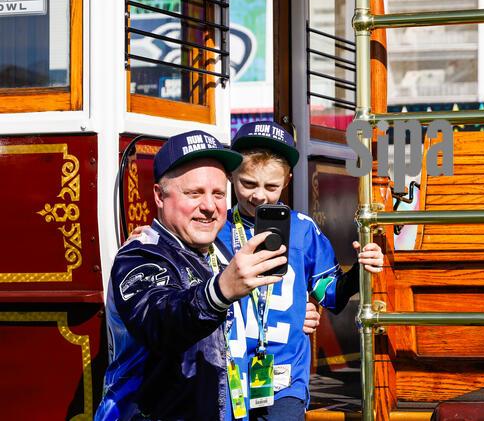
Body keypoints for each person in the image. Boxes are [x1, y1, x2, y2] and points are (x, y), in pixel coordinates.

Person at [96, 131, 288, 420]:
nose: (209, 206)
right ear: (159, 196)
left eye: (219, 194)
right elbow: (160, 318)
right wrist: (219, 292)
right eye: (194, 193)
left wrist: (305, 310)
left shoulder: (217, 250)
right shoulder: (141, 255)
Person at [217, 120, 383, 420]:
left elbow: (331, 296)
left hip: (285, 379)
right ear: (232, 177)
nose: (259, 196)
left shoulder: (304, 231)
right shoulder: (215, 230)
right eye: (248, 184)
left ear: (288, 180)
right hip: (228, 377)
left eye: (271, 186)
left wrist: (361, 272)